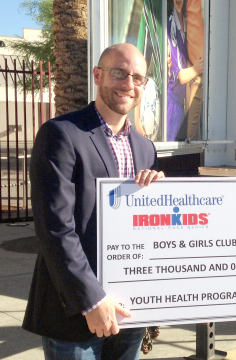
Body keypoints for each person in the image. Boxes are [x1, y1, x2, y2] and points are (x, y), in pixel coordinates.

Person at [22, 43, 165, 360]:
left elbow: (147, 228)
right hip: (75, 313)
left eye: (137, 78)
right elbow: (55, 228)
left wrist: (159, 197)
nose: (128, 84)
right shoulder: (61, 134)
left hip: (130, 312)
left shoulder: (145, 149)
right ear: (98, 75)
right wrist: (91, 300)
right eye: (119, 73)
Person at [167, 0, 203, 141]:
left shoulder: (184, 21)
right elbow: (179, 75)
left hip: (181, 104)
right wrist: (195, 70)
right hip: (173, 106)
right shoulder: (171, 24)